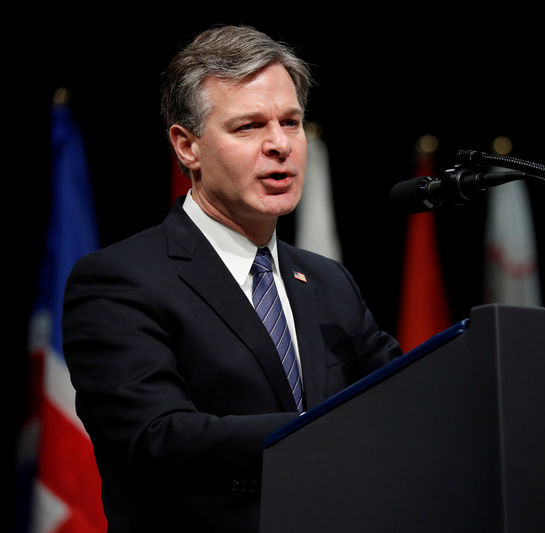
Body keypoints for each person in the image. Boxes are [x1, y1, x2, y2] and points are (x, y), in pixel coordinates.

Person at [62, 25, 402, 533]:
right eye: (248, 127)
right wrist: (325, 433)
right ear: (187, 146)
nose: (279, 145)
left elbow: (404, 399)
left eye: (290, 123)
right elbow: (155, 438)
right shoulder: (119, 281)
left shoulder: (330, 282)